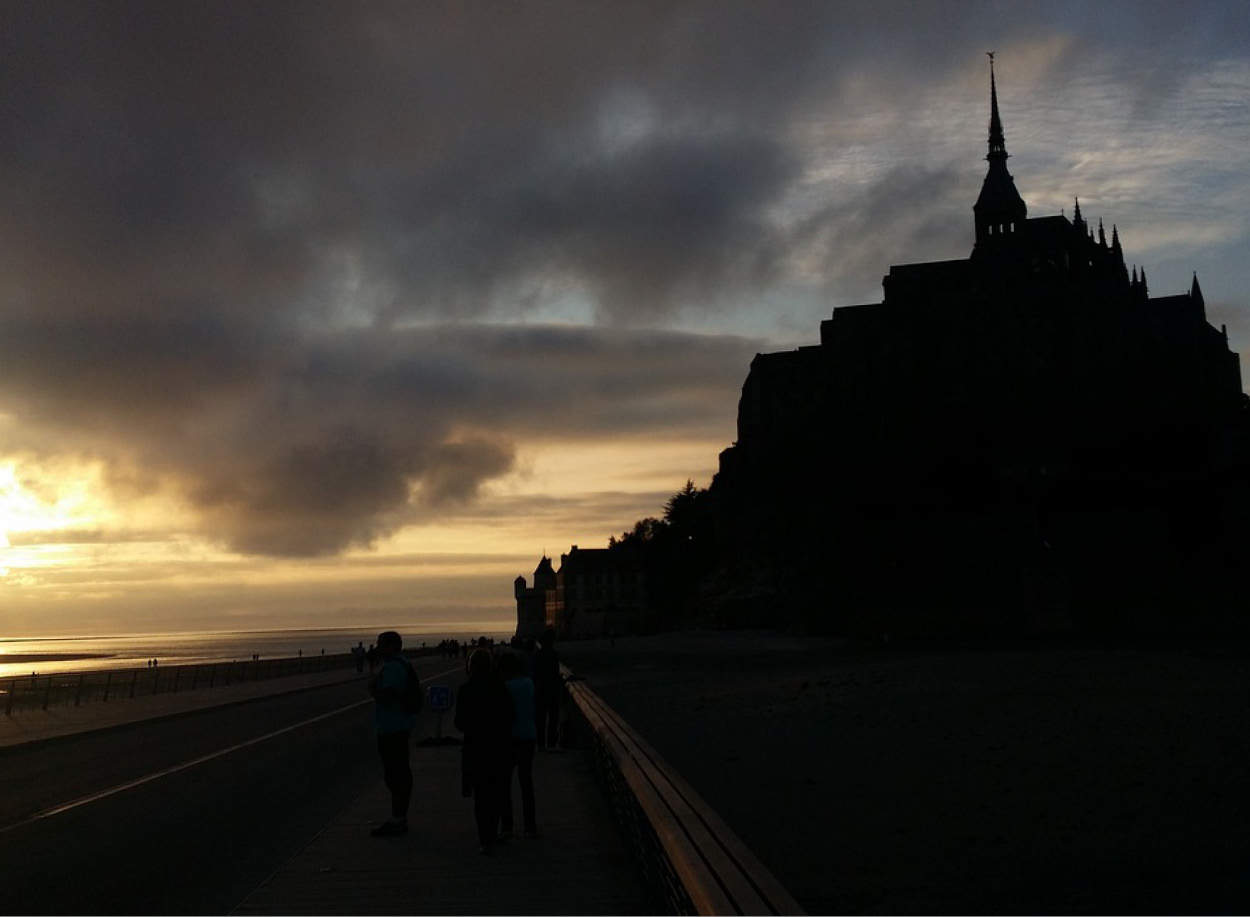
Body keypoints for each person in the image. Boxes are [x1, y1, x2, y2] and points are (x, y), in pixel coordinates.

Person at [454, 649, 513, 854]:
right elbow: (509, 717)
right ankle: (493, 833)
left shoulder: (465, 690)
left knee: (480, 797)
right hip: (498, 747)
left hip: (475, 748)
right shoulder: (500, 688)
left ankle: (485, 838)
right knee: (496, 792)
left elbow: (459, 723)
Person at [368, 630, 417, 837]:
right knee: (398, 773)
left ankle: (398, 819)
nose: (377, 648)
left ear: (391, 646)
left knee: (395, 774)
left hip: (392, 728)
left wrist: (373, 689)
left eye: (381, 644)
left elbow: (388, 696)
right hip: (398, 726)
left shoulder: (394, 668)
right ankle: (399, 817)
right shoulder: (403, 664)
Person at [498, 652, 538, 839]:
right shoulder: (528, 683)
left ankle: (507, 826)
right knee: (526, 782)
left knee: (505, 784)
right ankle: (530, 826)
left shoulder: (504, 687)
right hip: (528, 736)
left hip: (509, 738)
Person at [534, 628, 561, 751]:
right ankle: (550, 743)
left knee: (540, 718)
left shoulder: (538, 655)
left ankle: (540, 744)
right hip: (552, 689)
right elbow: (555, 673)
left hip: (540, 690)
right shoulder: (553, 654)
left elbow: (536, 673)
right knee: (553, 718)